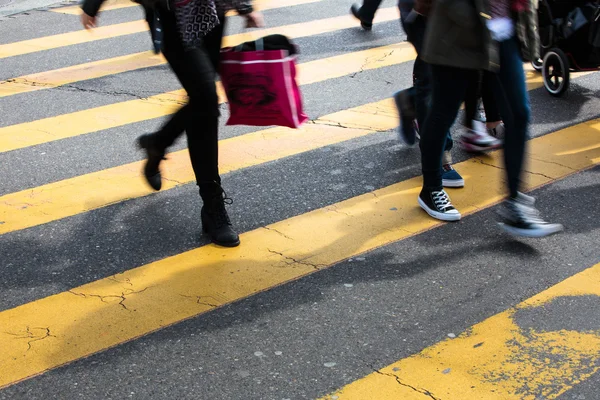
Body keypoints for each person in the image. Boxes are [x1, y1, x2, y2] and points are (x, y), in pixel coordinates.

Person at [80, 0, 264, 247]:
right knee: (205, 99)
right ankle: (213, 205)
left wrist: (244, 5)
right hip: (170, 15)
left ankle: (159, 144)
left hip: (212, 10)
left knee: (203, 104)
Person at [416, 0, 563, 237]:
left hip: (503, 34)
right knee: (444, 112)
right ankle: (431, 188)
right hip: (457, 33)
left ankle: (514, 204)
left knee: (518, 114)